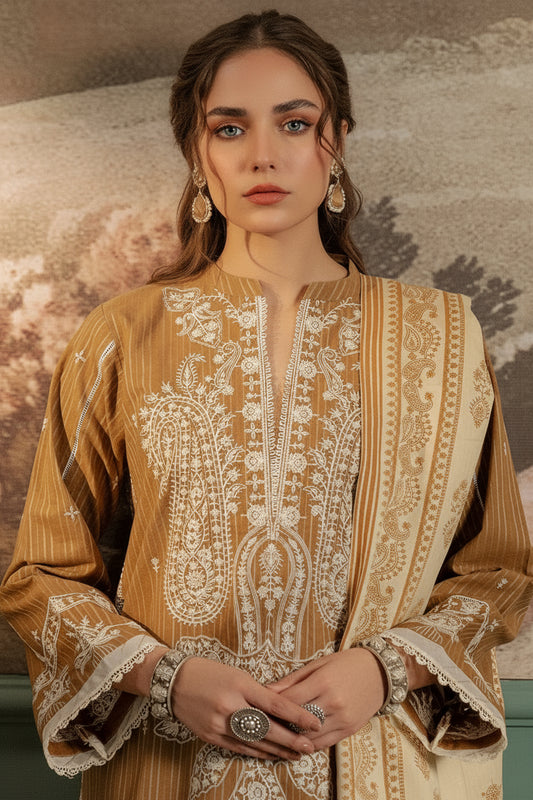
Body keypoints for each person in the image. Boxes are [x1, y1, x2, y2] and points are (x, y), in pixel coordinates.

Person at [0, 9, 531, 800]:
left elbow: (498, 570)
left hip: (386, 767)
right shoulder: (121, 335)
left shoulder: (440, 336)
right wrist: (166, 676)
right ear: (196, 153)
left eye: (293, 122)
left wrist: (385, 668)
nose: (262, 154)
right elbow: (42, 576)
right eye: (228, 128)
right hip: (171, 768)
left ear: (336, 142)